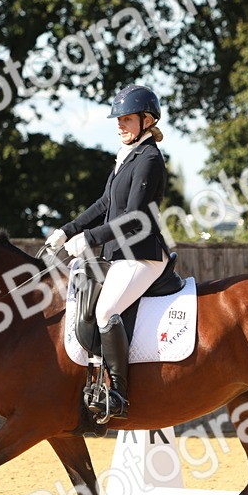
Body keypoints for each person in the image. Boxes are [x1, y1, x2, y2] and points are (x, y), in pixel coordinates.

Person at [45, 84, 170, 420]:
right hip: (119, 253)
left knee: (105, 311)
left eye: (127, 119)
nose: (120, 125)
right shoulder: (126, 156)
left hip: (143, 254)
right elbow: (104, 204)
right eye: (118, 119)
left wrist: (89, 238)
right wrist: (67, 230)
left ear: (147, 120)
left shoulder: (150, 159)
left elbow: (135, 218)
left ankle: (117, 392)